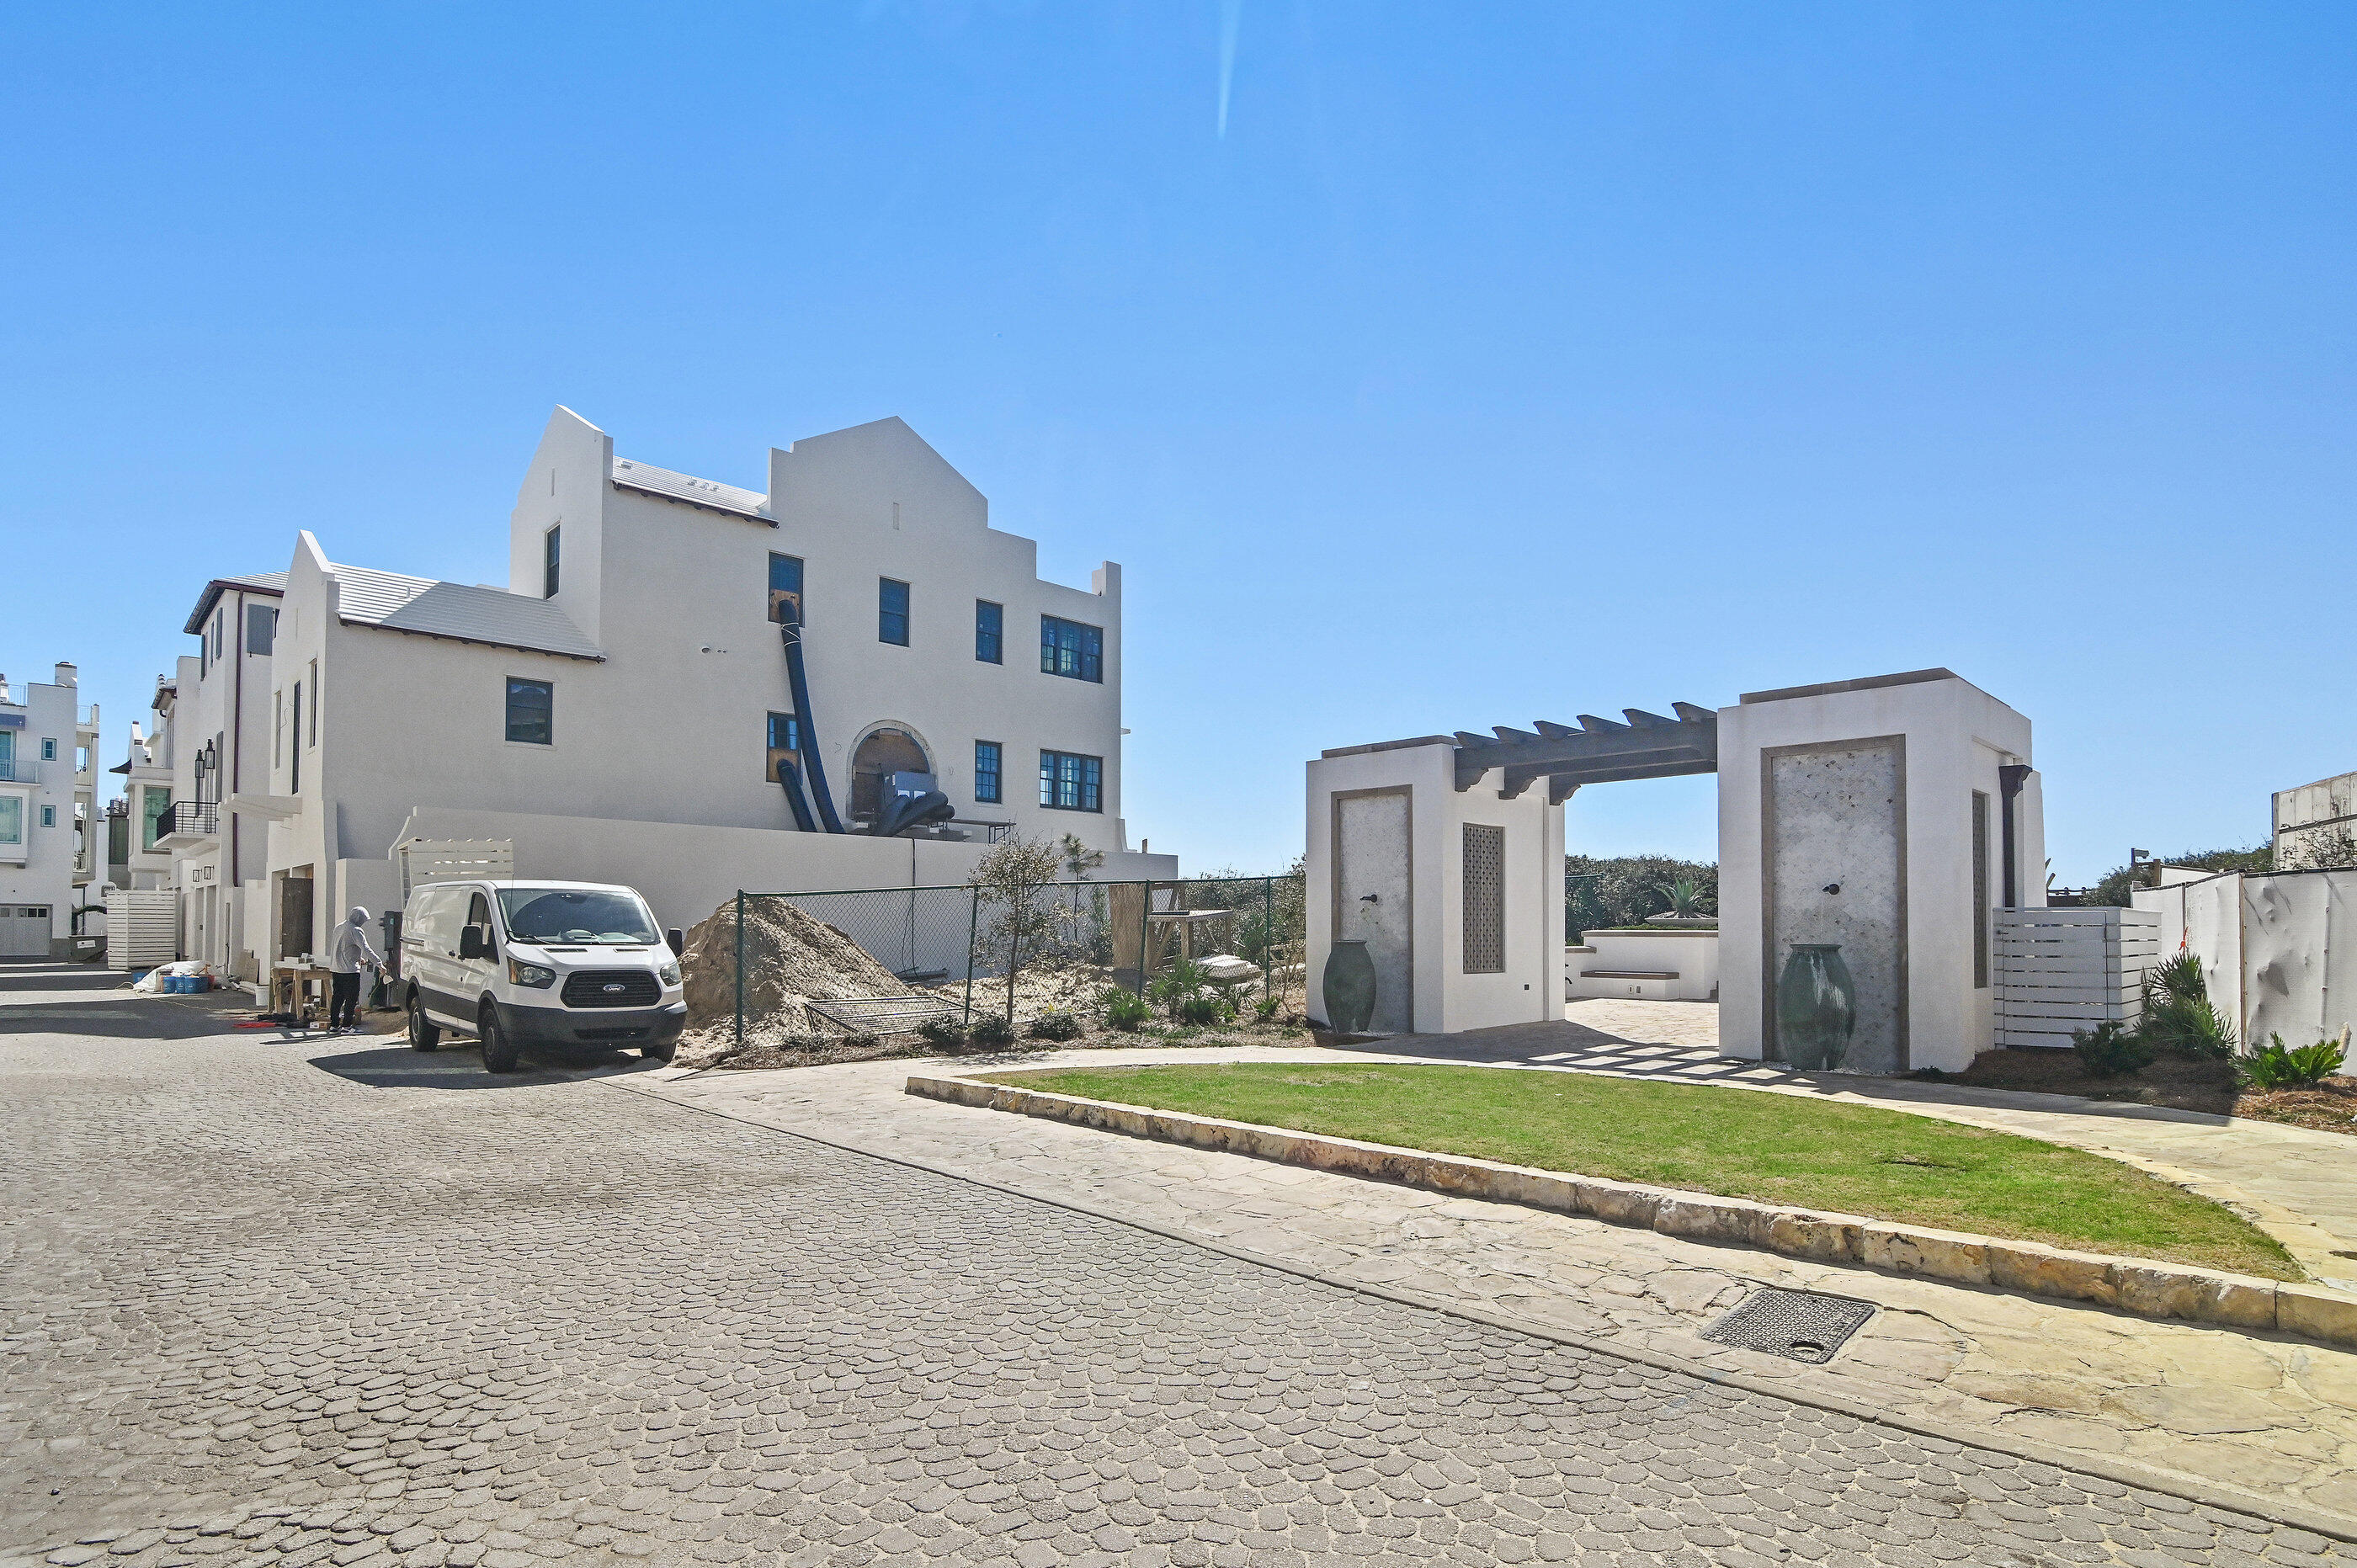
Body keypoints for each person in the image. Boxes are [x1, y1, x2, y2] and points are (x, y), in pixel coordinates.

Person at [327, 907, 382, 1030]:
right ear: (359, 919)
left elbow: (344, 947)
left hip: (336, 969)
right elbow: (366, 948)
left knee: (337, 998)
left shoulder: (339, 927)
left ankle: (334, 1025)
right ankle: (347, 1026)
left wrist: (358, 958)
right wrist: (379, 964)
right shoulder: (356, 930)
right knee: (351, 999)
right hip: (350, 971)